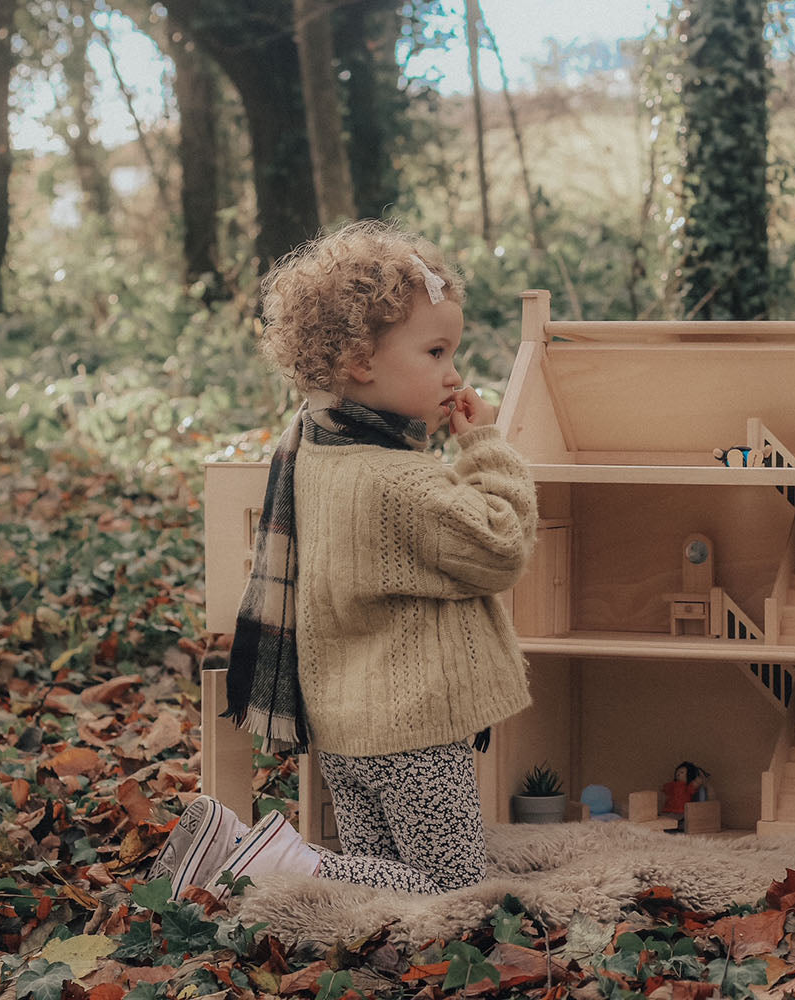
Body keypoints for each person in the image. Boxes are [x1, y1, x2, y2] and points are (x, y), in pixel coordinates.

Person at [151, 221, 537, 900]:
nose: (454, 374)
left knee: (380, 894)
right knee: (448, 889)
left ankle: (268, 861)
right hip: (415, 731)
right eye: (437, 351)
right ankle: (258, 857)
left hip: (346, 729)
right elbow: (500, 544)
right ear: (361, 361)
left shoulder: (313, 448)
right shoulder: (402, 484)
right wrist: (484, 447)